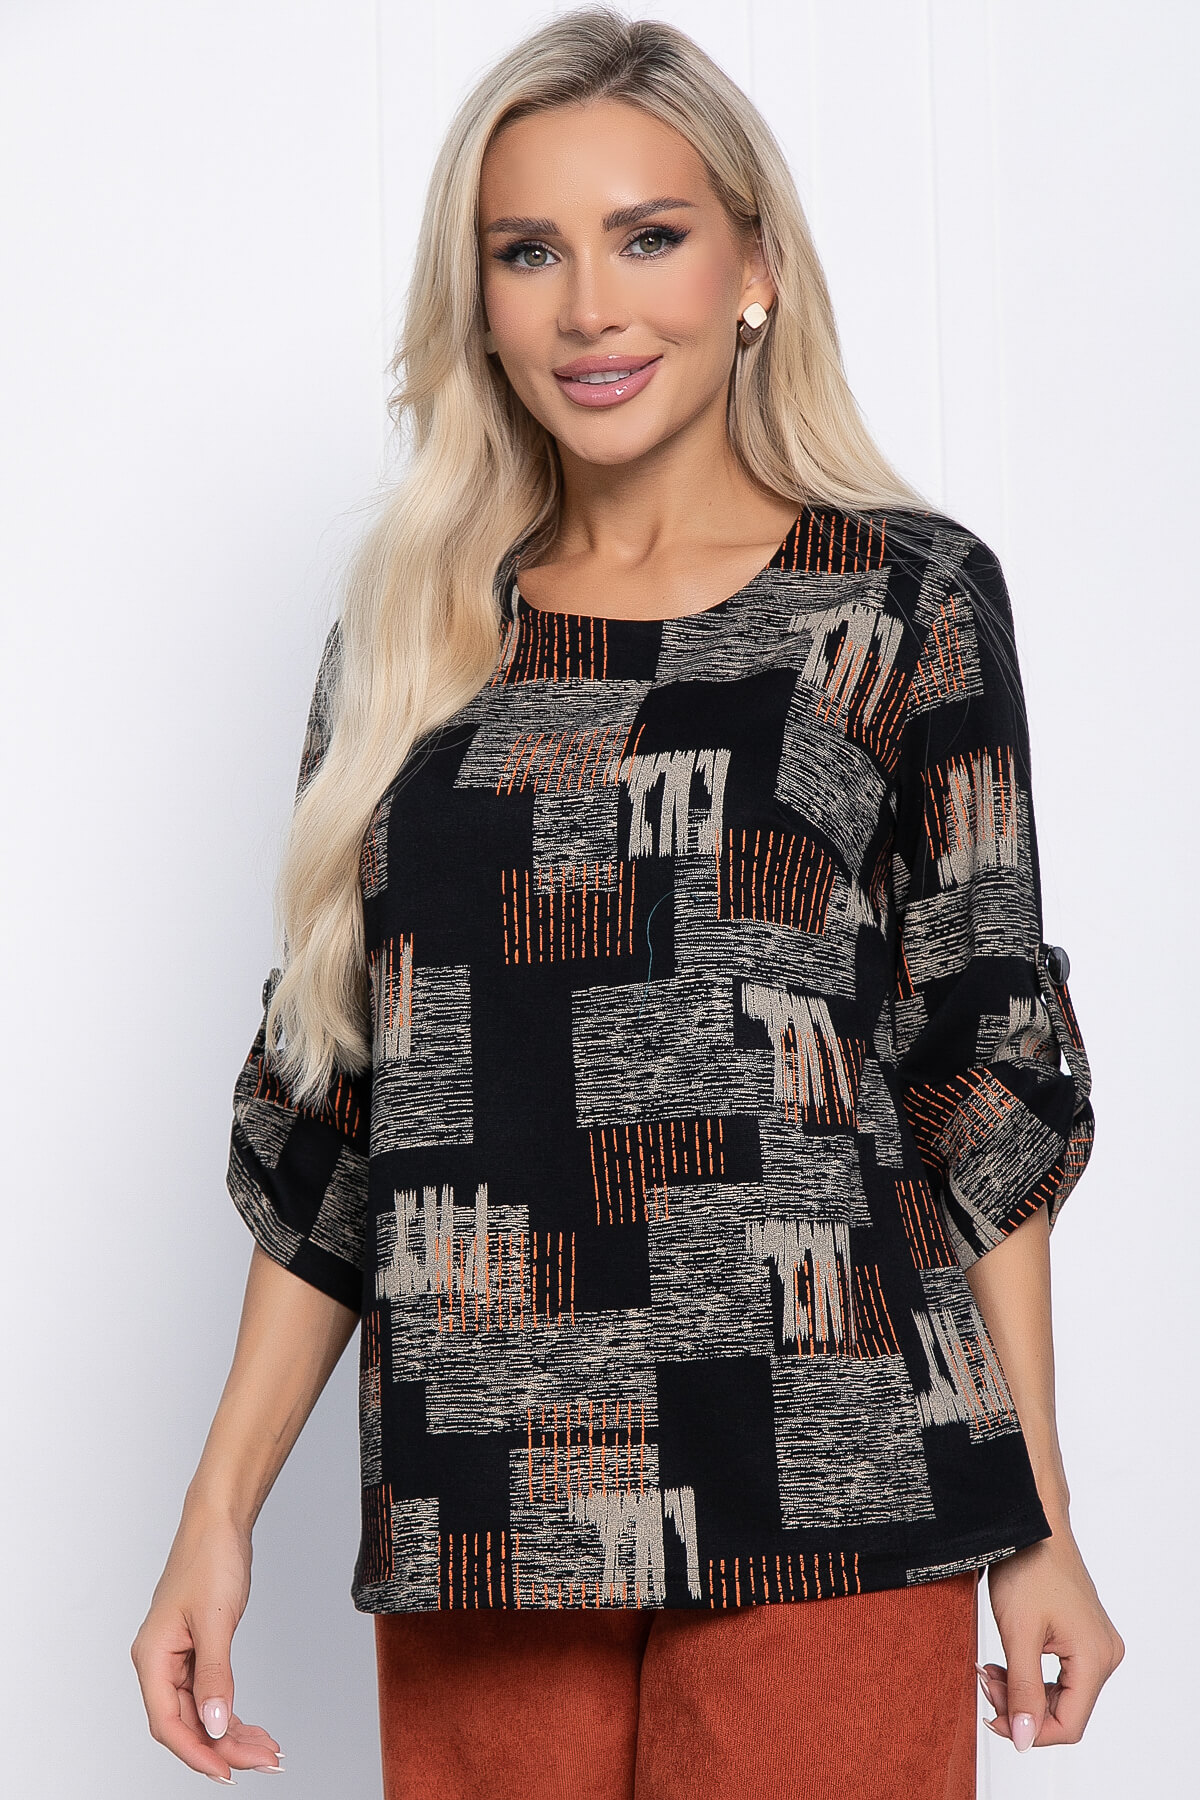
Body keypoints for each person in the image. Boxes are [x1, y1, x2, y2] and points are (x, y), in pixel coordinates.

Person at [131, 8, 1124, 1796]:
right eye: (529, 252)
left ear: (754, 266)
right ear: (480, 304)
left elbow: (983, 1079)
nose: (590, 307)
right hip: (487, 1492)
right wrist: (215, 1517)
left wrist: (1039, 1522)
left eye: (647, 236)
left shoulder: (902, 602)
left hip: (840, 1472)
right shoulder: (414, 637)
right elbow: (334, 1106)